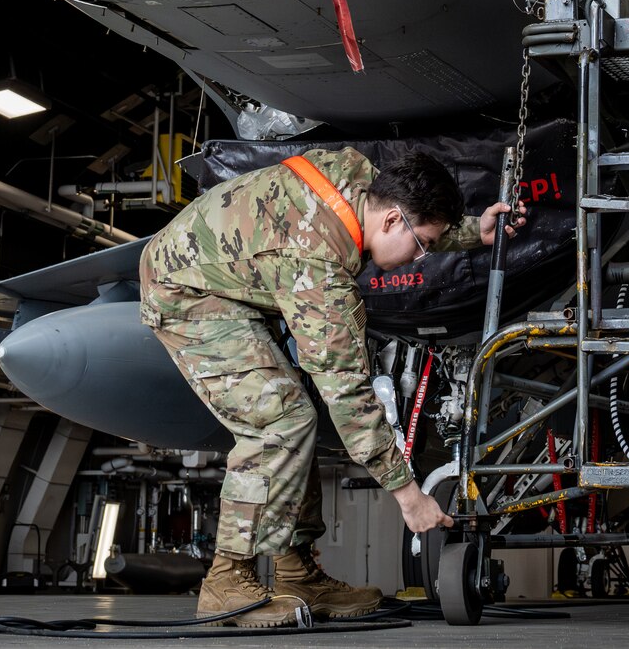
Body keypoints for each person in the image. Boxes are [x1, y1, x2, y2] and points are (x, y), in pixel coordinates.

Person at [139, 147, 518, 625]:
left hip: (228, 275)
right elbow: (351, 397)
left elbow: (407, 212)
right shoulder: (317, 265)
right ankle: (227, 581)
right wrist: (409, 497)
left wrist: (471, 233)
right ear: (392, 222)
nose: (417, 258)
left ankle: (296, 573)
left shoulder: (359, 180)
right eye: (422, 245)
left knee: (296, 412)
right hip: (184, 290)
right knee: (280, 418)